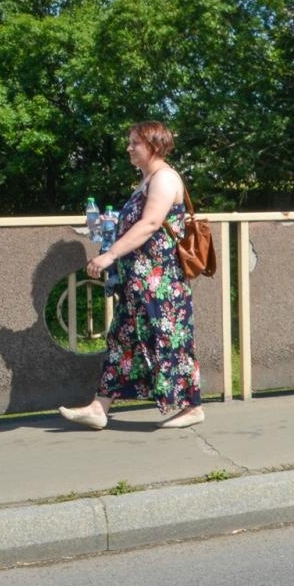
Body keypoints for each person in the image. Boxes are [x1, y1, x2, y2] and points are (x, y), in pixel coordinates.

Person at [59, 121, 204, 430]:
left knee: (167, 339)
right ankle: (99, 408)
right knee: (122, 340)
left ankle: (191, 407)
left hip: (161, 282)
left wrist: (110, 254)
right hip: (138, 281)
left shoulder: (164, 179)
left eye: (134, 143)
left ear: (152, 146)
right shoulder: (147, 180)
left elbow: (151, 223)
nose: (128, 148)